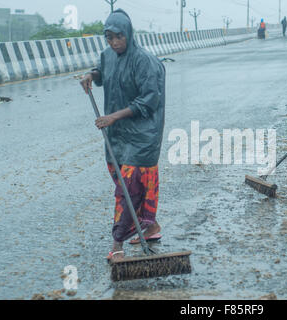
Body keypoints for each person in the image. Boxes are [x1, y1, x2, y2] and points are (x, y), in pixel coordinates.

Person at [80, 9, 166, 261]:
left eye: (119, 37)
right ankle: (151, 228)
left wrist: (114, 116)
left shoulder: (145, 61)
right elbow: (101, 72)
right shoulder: (108, 56)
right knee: (124, 184)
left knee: (128, 188)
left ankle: (117, 243)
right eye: (109, 38)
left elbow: (150, 100)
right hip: (117, 136)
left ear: (128, 34)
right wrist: (90, 75)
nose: (115, 43)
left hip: (142, 136)